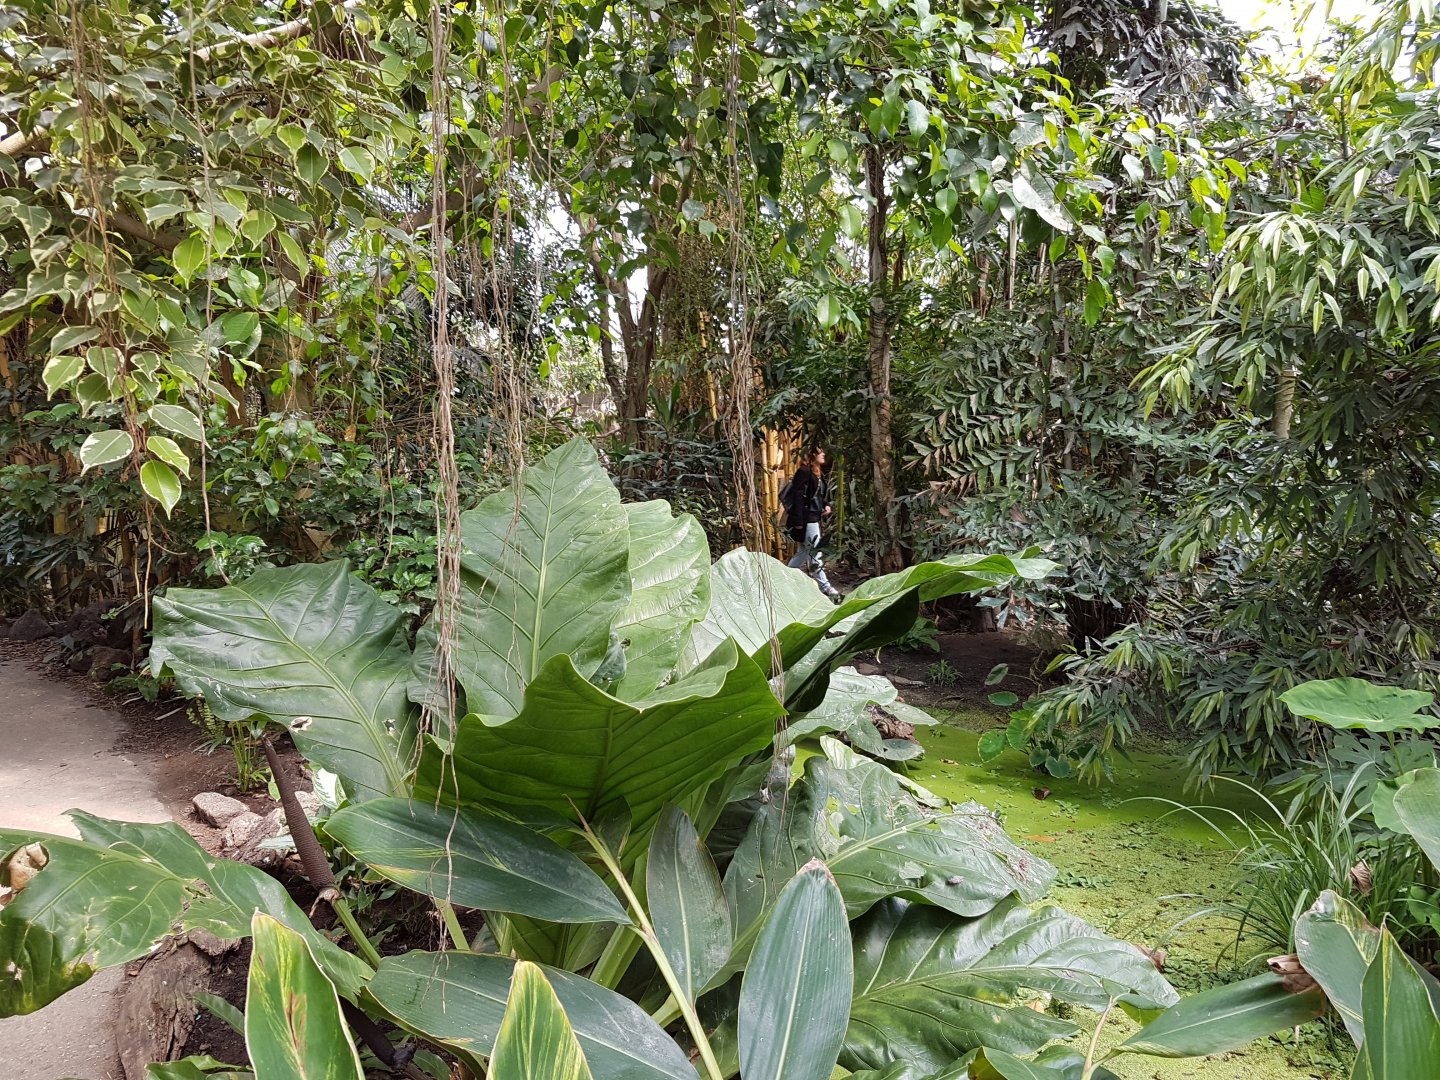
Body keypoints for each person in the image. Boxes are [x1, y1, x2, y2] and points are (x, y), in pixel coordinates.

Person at [785, 447, 843, 603]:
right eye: (820, 452)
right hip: (806, 519)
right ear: (811, 455)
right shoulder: (804, 472)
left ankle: (784, 579)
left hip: (813, 517)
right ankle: (826, 587)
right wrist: (797, 521)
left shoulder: (816, 473)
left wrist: (826, 505)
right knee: (815, 552)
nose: (823, 454)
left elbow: (816, 495)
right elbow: (798, 496)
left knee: (804, 551)